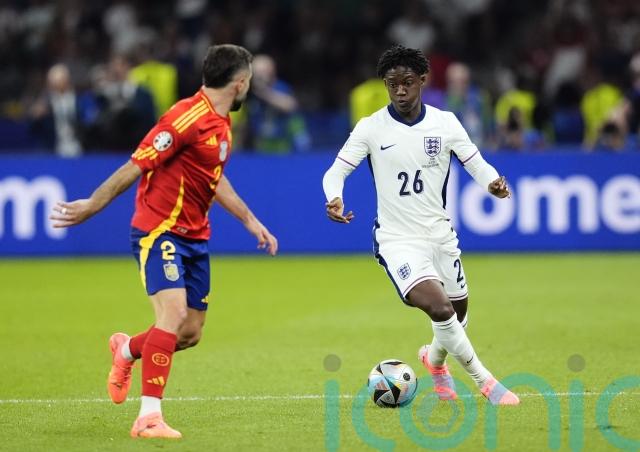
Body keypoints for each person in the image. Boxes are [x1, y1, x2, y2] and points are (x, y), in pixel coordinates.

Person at [50, 44, 278, 438]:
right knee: (172, 314)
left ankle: (126, 350)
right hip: (159, 229)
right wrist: (93, 205)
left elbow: (213, 177)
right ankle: (148, 418)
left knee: (189, 333)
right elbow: (135, 164)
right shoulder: (184, 118)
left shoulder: (221, 122)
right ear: (240, 83)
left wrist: (249, 219)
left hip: (196, 237)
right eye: (250, 80)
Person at [322, 44, 519, 405]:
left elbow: (476, 163)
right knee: (440, 309)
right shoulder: (371, 128)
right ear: (385, 84)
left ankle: (434, 362)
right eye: (392, 84)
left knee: (457, 314)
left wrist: (492, 183)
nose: (400, 91)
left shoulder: (445, 123)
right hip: (397, 239)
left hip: (440, 235)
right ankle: (487, 382)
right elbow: (335, 172)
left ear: (423, 80)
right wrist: (334, 196)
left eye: (407, 82)